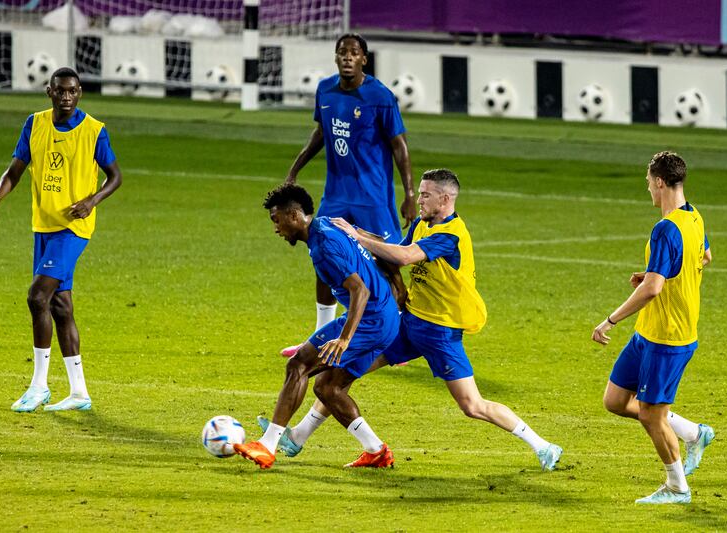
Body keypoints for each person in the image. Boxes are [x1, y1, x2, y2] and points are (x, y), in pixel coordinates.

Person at [259, 169, 564, 471]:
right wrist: (363, 241)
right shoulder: (422, 223)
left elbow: (405, 257)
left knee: (472, 406)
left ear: (445, 199)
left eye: (425, 194)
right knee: (335, 378)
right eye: (419, 192)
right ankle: (298, 436)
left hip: (439, 331)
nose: (418, 199)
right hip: (407, 323)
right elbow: (394, 251)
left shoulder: (450, 234)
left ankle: (542, 445)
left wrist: (356, 235)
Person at [0, 67, 122, 412]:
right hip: (43, 225)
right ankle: (79, 393)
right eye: (60, 91)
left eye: (72, 91)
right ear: (50, 92)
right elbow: (15, 168)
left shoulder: (94, 131)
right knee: (61, 306)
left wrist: (91, 201)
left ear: (80, 93)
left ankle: (38, 385)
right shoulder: (35, 124)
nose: (66, 97)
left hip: (73, 228)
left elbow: (116, 177)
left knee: (36, 296)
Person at [233, 184, 401, 469]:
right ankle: (376, 451)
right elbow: (375, 242)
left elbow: (359, 291)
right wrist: (397, 290)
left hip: (369, 319)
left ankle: (268, 445)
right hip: (385, 318)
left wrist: (345, 339)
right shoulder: (326, 223)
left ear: (295, 215)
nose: (276, 228)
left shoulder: (323, 247)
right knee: (328, 388)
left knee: (298, 365)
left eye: (277, 220)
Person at [280, 33, 415, 357]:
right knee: (323, 257)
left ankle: (402, 339)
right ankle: (317, 335)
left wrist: (409, 192)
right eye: (342, 52)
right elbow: (321, 133)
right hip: (337, 195)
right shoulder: (325, 90)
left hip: (373, 198)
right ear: (336, 57)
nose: (347, 57)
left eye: (354, 53)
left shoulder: (380, 96)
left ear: (364, 59)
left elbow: (399, 145)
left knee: (389, 266)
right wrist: (294, 170)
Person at [592, 151, 714, 504]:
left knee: (649, 414)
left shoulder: (665, 228)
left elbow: (654, 289)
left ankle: (677, 487)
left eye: (648, 184)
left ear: (659, 182)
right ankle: (693, 433)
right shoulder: (694, 217)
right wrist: (653, 272)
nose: (648, 190)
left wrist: (610, 319)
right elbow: (703, 257)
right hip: (649, 332)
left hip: (669, 337)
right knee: (615, 400)